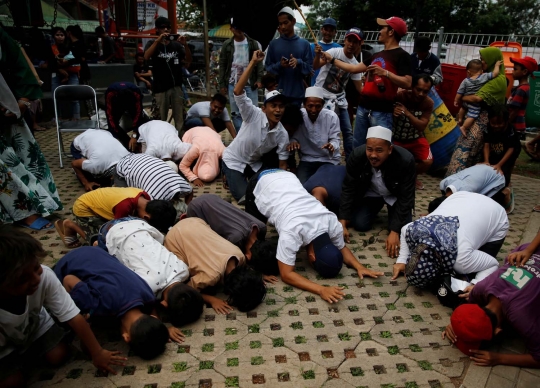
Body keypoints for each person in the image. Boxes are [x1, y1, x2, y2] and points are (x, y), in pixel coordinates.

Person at [0, 228, 125, 387]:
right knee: (12, 382)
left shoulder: (44, 276)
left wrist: (97, 352)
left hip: (34, 325)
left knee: (59, 355)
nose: (35, 279)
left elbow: (74, 317)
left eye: (35, 267)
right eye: (22, 279)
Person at [245, 169, 383, 302]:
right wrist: (320, 289)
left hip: (288, 177)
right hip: (261, 181)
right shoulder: (292, 231)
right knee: (255, 240)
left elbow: (342, 247)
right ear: (312, 257)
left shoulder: (331, 221)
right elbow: (286, 274)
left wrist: (359, 267)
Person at [53, 247, 183, 360]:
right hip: (66, 265)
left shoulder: (147, 294)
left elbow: (152, 307)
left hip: (94, 252)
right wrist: (82, 319)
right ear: (126, 337)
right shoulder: (97, 306)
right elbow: (68, 280)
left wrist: (159, 328)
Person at [442, 233, 540, 368]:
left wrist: (499, 358)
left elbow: (538, 357)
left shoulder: (521, 318)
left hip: (532, 250)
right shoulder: (480, 288)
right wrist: (457, 325)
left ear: (498, 331)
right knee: (510, 261)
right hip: (530, 249)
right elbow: (468, 311)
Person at [0, 27, 63, 230]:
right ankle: (22, 212)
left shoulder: (3, 37)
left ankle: (34, 206)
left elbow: (19, 61)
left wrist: (24, 99)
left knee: (23, 156)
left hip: (9, 105)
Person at [321, 17, 412, 147]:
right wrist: (332, 60)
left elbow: (408, 83)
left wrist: (385, 73)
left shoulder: (402, 56)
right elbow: (353, 68)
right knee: (358, 145)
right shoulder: (376, 55)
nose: (379, 31)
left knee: (380, 147)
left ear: (391, 32)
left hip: (382, 111)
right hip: (363, 108)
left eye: (383, 28)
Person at [101, 217, 203, 327]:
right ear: (164, 304)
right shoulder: (148, 288)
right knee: (104, 251)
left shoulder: (184, 270)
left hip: (138, 224)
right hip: (112, 231)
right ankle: (97, 243)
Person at [392, 191, 508, 288]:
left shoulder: (462, 261)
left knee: (475, 272)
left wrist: (475, 285)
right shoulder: (413, 229)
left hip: (496, 214)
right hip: (461, 197)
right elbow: (403, 229)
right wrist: (402, 260)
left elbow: (493, 264)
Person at [221, 50, 290, 204]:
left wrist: (283, 188)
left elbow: (283, 164)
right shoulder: (253, 114)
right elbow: (238, 91)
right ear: (264, 108)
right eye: (273, 106)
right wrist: (253, 62)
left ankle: (236, 179)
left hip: (253, 164)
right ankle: (227, 173)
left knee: (268, 190)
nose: (278, 110)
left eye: (281, 106)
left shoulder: (282, 134)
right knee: (246, 198)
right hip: (233, 160)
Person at [339, 126, 416, 259]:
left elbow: (406, 196)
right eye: (369, 149)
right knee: (360, 224)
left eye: (379, 150)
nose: (373, 155)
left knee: (404, 229)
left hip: (395, 196)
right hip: (372, 193)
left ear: (390, 149)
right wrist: (342, 221)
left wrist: (394, 231)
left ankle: (394, 220)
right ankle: (375, 209)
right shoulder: (357, 156)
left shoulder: (405, 160)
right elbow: (348, 187)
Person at [165, 217, 267, 314]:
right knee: (183, 273)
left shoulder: (239, 255)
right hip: (173, 238)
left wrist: (259, 277)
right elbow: (186, 290)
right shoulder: (210, 277)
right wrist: (211, 300)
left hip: (194, 222)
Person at [445, 47, 507, 176]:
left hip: (483, 120)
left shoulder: (498, 80)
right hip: (475, 115)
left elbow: (477, 98)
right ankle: (454, 180)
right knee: (465, 148)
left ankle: (462, 180)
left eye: (483, 60)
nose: (481, 63)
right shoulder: (484, 77)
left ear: (492, 60)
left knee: (470, 149)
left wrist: (462, 97)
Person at [185, 194, 278, 278]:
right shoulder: (235, 240)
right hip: (196, 208)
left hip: (212, 197)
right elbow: (229, 261)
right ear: (248, 256)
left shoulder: (261, 227)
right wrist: (258, 275)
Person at [56, 187, 176, 248]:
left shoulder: (145, 198)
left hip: (101, 203)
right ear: (146, 217)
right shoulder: (124, 207)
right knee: (99, 240)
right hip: (84, 208)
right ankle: (70, 225)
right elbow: (116, 231)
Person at [313, 27, 364, 159]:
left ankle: (350, 160)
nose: (351, 44)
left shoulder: (355, 64)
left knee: (347, 130)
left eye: (355, 42)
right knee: (322, 130)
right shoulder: (334, 52)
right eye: (349, 40)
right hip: (322, 96)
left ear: (359, 44)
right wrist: (318, 55)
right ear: (345, 40)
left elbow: (360, 89)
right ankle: (319, 156)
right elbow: (315, 66)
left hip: (340, 100)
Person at [144, 17, 191, 132]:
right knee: (161, 117)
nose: (166, 30)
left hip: (176, 85)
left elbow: (188, 62)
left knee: (179, 117)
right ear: (157, 29)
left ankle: (180, 140)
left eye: (168, 27)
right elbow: (146, 56)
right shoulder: (152, 43)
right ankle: (161, 140)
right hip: (160, 87)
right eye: (162, 27)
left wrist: (185, 45)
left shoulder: (176, 45)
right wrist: (157, 41)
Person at [288, 86, 341, 183]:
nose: (314, 110)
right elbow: (294, 136)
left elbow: (336, 139)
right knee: (302, 186)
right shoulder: (299, 116)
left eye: (318, 106)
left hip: (328, 159)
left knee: (328, 186)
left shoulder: (331, 117)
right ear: (304, 105)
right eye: (310, 106)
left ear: (323, 105)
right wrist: (293, 142)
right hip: (307, 159)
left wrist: (332, 145)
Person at [219, 18, 263, 130]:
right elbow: (223, 64)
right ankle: (240, 136)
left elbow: (259, 63)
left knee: (254, 110)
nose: (239, 30)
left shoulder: (253, 43)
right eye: (236, 27)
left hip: (250, 83)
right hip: (232, 83)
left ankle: (253, 135)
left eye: (241, 27)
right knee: (235, 113)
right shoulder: (227, 44)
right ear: (231, 29)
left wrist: (259, 79)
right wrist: (222, 84)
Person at [392, 74, 434, 190]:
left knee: (427, 162)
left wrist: (407, 113)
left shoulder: (428, 103)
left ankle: (411, 176)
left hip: (415, 138)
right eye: (418, 89)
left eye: (425, 91)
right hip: (396, 138)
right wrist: (392, 111)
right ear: (412, 87)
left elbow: (422, 126)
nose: (421, 94)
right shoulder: (400, 95)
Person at [265, 7, 313, 106]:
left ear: (293, 21)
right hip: (278, 95)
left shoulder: (304, 44)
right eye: (280, 24)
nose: (282, 27)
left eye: (285, 23)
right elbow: (268, 67)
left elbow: (309, 68)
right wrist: (280, 65)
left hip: (297, 96)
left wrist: (298, 62)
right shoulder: (273, 44)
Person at [482, 105, 521, 213]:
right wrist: (486, 161)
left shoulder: (510, 130)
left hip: (510, 152)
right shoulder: (488, 128)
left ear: (506, 121)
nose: (496, 126)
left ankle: (507, 189)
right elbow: (486, 145)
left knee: (504, 172)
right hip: (495, 150)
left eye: (500, 123)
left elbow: (511, 149)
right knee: (491, 168)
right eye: (493, 123)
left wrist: (499, 165)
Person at [114, 153, 193, 201]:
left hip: (142, 159)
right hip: (122, 168)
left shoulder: (180, 183)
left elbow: (190, 192)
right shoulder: (153, 197)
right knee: (127, 199)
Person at [454, 59, 502, 137]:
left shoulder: (465, 81)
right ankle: (464, 127)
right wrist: (497, 65)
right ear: (481, 71)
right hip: (474, 103)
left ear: (468, 72)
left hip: (465, 101)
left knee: (463, 108)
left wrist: (456, 100)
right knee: (472, 116)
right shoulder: (484, 76)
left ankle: (460, 119)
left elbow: (459, 92)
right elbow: (495, 73)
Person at [430, 164, 506, 211]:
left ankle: (505, 192)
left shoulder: (466, 193)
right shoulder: (443, 183)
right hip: (481, 169)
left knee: (485, 202)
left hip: (496, 175)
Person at [48, 26, 80, 121]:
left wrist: (65, 64)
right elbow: (50, 62)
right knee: (55, 95)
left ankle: (76, 116)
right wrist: (59, 69)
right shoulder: (51, 48)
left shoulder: (71, 46)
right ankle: (58, 117)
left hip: (72, 73)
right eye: (57, 35)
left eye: (62, 35)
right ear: (54, 36)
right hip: (56, 73)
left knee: (74, 95)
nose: (60, 37)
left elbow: (76, 59)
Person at [104, 82, 146, 148]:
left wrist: (135, 135)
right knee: (114, 123)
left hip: (132, 102)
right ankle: (125, 142)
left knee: (142, 121)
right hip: (116, 103)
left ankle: (137, 144)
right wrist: (115, 137)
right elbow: (110, 116)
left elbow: (138, 114)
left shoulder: (136, 93)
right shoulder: (111, 93)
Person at [508, 56, 537, 135]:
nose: (512, 71)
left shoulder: (521, 90)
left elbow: (514, 110)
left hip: (515, 127)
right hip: (517, 126)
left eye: (515, 69)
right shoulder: (524, 87)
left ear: (524, 72)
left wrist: (506, 124)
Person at [310, 17, 341, 86]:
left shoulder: (339, 48)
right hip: (315, 86)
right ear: (322, 30)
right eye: (326, 30)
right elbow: (309, 66)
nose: (328, 33)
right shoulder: (312, 47)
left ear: (335, 32)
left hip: (331, 88)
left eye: (331, 30)